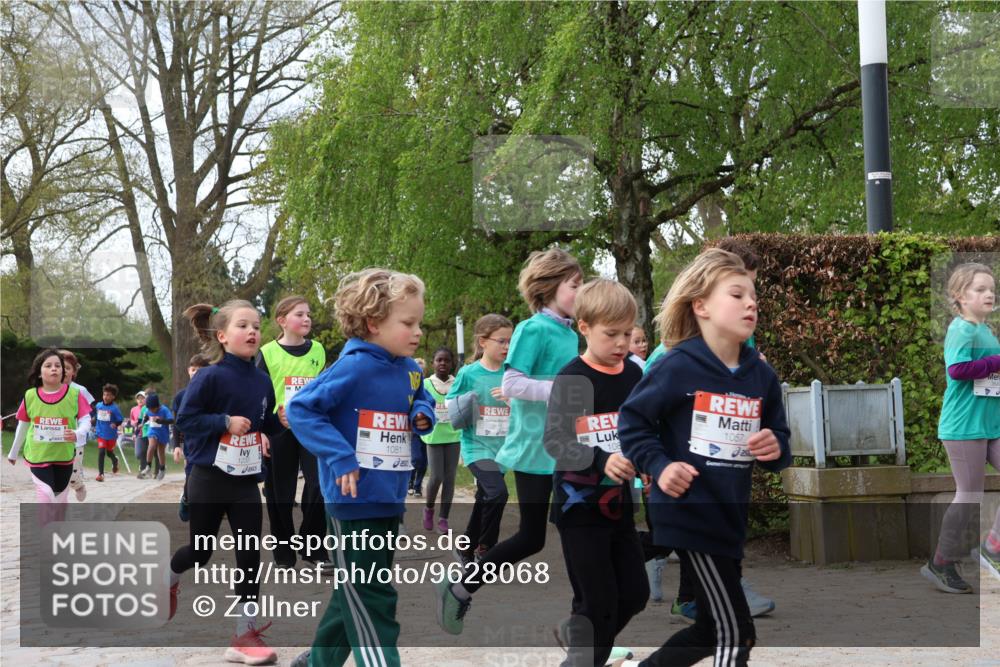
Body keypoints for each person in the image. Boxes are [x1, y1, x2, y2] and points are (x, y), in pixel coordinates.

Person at [617, 248, 791, 667]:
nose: (751, 303)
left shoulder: (762, 376)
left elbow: (779, 439)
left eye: (754, 297)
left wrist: (775, 448)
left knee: (711, 630)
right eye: (737, 295)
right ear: (701, 306)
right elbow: (633, 423)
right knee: (736, 633)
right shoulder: (677, 366)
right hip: (689, 512)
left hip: (730, 518)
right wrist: (660, 466)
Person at [286, 268, 435, 667]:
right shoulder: (353, 367)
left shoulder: (409, 368)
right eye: (407, 323)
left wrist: (422, 413)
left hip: (389, 496)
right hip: (353, 499)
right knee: (372, 595)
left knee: (354, 588)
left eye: (419, 322)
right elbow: (301, 409)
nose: (417, 331)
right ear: (372, 324)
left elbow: (419, 396)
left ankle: (318, 661)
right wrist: (338, 456)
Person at [436, 247, 583, 635]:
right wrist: (566, 388)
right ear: (549, 287)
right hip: (535, 448)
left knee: (580, 532)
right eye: (574, 284)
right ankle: (461, 588)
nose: (580, 292)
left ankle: (587, 624)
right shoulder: (533, 329)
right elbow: (512, 384)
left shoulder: (573, 332)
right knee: (532, 538)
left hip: (567, 448)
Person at [168, 300, 282, 665]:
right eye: (243, 326)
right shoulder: (210, 376)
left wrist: (279, 425)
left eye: (257, 326)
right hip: (207, 479)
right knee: (200, 554)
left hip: (246, 481)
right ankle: (168, 576)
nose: (252, 332)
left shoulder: (263, 381)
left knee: (250, 555)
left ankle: (243, 634)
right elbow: (186, 419)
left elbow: (265, 425)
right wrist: (224, 422)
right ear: (222, 336)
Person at [544, 279, 648, 667]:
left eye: (627, 333)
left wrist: (649, 461)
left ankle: (579, 642)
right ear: (584, 327)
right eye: (611, 334)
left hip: (619, 506)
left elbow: (640, 430)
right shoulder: (574, 379)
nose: (622, 343)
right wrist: (601, 459)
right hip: (579, 509)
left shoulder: (634, 377)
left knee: (635, 594)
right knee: (598, 604)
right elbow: (555, 440)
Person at [921, 262, 1000, 592]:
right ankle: (940, 562)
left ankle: (992, 547)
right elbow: (957, 370)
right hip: (964, 426)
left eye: (991, 289)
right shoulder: (962, 328)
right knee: (969, 495)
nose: (989, 294)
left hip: (991, 424)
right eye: (980, 289)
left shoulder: (985, 329)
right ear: (959, 296)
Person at [257, 295, 329, 567]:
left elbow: (324, 388)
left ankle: (313, 546)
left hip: (311, 427)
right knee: (280, 493)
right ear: (282, 320)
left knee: (320, 485)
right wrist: (262, 430)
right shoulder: (267, 352)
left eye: (308, 313)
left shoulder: (318, 350)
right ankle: (284, 551)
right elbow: (258, 396)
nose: (306, 318)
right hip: (279, 430)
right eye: (299, 314)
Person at [447, 314, 513, 565]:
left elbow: (526, 406)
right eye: (501, 341)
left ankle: (465, 548)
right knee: (498, 494)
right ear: (483, 342)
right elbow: (451, 405)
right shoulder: (469, 373)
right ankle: (486, 548)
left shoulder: (512, 374)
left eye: (510, 342)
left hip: (502, 449)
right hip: (477, 447)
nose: (507, 347)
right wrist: (466, 403)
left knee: (485, 497)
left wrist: (511, 400)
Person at [7, 349, 92, 526]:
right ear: (39, 371)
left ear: (63, 371)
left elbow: (85, 420)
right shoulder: (30, 396)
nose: (54, 369)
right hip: (38, 455)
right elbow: (23, 426)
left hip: (64, 456)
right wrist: (14, 452)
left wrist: (77, 433)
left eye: (57, 366)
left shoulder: (74, 395)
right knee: (46, 493)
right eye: (48, 365)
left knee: (60, 499)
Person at [422, 347, 462, 534]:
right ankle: (429, 508)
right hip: (434, 435)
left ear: (452, 363)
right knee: (436, 476)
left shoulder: (458, 383)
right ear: (433, 363)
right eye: (439, 360)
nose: (443, 363)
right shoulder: (426, 384)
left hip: (454, 434)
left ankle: (443, 518)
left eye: (446, 360)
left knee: (450, 478)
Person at [172, 353, 210, 521]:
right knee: (191, 475)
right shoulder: (181, 396)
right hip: (191, 444)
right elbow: (177, 423)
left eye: (200, 370)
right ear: (188, 371)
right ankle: (187, 498)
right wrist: (177, 446)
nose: (196, 373)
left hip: (210, 443)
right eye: (194, 369)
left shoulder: (214, 395)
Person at [59, 350, 93, 501]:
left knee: (72, 475)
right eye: (60, 366)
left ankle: (78, 484)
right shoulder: (46, 390)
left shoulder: (80, 390)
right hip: (54, 440)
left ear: (73, 372)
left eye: (67, 367)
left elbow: (87, 415)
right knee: (58, 477)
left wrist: (79, 431)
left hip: (76, 441)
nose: (63, 370)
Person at [94, 384, 124, 481]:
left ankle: (115, 460)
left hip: (111, 435)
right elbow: (96, 415)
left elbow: (120, 419)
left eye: (108, 395)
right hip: (100, 433)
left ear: (113, 397)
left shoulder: (114, 408)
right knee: (101, 452)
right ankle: (101, 474)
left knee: (109, 453)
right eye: (104, 394)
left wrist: (115, 423)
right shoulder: (98, 405)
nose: (106, 397)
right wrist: (93, 419)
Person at [142, 393, 174, 480]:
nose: (151, 411)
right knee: (151, 446)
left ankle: (162, 469)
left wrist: (161, 421)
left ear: (157, 405)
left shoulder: (164, 410)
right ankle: (148, 466)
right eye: (149, 409)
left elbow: (171, 420)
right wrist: (144, 420)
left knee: (161, 451)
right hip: (152, 431)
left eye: (153, 409)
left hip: (163, 433)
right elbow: (146, 416)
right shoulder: (149, 410)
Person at [410, 357, 429, 496]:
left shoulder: (427, 385)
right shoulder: (408, 386)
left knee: (424, 461)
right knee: (416, 459)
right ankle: (410, 482)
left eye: (422, 369)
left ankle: (418, 486)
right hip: (414, 431)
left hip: (429, 431)